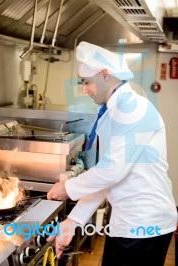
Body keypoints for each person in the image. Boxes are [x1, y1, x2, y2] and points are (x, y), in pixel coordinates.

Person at [46, 41, 177, 266]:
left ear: (105, 75)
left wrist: (68, 188)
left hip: (143, 225)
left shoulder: (133, 109)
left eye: (87, 82)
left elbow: (111, 172)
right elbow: (107, 175)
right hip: (130, 223)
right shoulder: (113, 111)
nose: (85, 89)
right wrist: (73, 220)